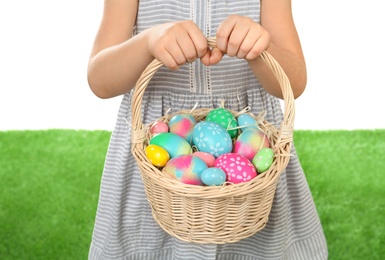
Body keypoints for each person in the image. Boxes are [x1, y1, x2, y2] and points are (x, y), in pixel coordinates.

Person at [87, 0, 328, 259]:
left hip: (248, 145)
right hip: (155, 150)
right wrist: (147, 42)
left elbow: (294, 83)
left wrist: (261, 47)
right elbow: (100, 81)